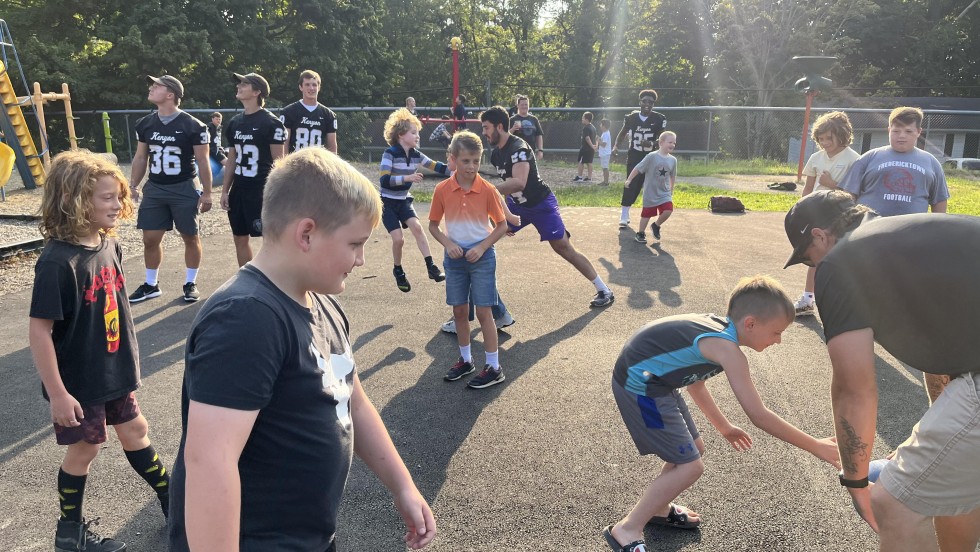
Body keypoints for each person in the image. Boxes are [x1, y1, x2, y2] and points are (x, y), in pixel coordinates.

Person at [168, 147, 436, 551]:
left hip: (306, 538)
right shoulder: (247, 317)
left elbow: (353, 402)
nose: (361, 260)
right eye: (355, 244)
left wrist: (402, 485)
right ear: (306, 233)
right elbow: (210, 462)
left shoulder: (322, 302)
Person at [783, 190, 980, 552]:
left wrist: (855, 481)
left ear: (819, 236)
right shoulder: (909, 237)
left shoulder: (840, 263)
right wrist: (934, 434)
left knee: (894, 502)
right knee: (952, 481)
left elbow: (854, 389)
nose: (813, 266)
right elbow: (945, 363)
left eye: (808, 258)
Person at [604, 276, 840, 552]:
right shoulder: (728, 350)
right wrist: (815, 446)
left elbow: (695, 382)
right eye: (776, 332)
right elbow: (759, 415)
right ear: (750, 323)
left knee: (694, 450)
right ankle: (627, 529)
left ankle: (658, 508)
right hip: (641, 387)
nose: (778, 341)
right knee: (691, 466)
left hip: (658, 382)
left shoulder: (723, 335)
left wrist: (724, 426)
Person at [29, 151, 172, 552]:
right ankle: (69, 534)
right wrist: (58, 393)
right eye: (107, 198)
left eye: (118, 196)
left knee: (135, 431)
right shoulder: (57, 262)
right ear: (75, 200)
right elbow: (39, 330)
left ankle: (172, 500)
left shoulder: (109, 246)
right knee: (86, 448)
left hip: (114, 372)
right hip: (80, 381)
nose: (117, 204)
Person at [837, 106, 950, 404]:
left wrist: (936, 233)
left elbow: (939, 202)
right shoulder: (871, 158)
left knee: (905, 290)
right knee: (867, 287)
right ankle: (863, 338)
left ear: (918, 133)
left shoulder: (929, 163)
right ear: (888, 130)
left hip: (911, 240)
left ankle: (905, 338)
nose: (901, 135)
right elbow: (848, 196)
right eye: (896, 130)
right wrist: (846, 227)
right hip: (871, 236)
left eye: (908, 131)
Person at [481, 106, 614, 308]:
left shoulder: (519, 149)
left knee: (563, 247)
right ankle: (477, 300)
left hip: (541, 204)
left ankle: (604, 290)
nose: (484, 133)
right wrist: (504, 217)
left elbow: (519, 182)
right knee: (484, 237)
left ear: (499, 126)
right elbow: (509, 188)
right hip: (517, 206)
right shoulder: (496, 154)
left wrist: (487, 192)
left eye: (486, 127)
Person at [428, 131, 509, 388]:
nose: (471, 167)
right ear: (452, 159)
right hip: (455, 258)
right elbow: (433, 226)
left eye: (476, 161)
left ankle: (494, 366)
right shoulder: (442, 190)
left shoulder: (487, 189)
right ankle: (466, 360)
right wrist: (448, 244)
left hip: (482, 257)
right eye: (465, 161)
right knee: (460, 311)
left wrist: (483, 247)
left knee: (485, 312)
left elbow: (501, 225)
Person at [128, 75, 213, 303]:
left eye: (157, 86)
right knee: (150, 238)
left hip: (184, 185)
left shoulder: (193, 125)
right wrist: (133, 185)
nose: (151, 88)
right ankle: (151, 284)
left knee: (189, 236)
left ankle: (190, 281)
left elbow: (203, 161)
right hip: (155, 187)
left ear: (170, 94)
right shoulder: (145, 123)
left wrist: (207, 192)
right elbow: (140, 157)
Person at [793, 111, 859, 317]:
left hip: (842, 215)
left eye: (829, 138)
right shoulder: (815, 158)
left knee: (841, 259)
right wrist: (801, 209)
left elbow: (854, 195)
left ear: (842, 134)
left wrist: (833, 185)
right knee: (815, 257)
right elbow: (808, 188)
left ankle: (842, 301)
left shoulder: (854, 159)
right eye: (820, 139)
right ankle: (807, 299)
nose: (825, 142)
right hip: (817, 215)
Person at [379, 108, 450, 292]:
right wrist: (407, 178)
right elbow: (384, 180)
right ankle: (398, 270)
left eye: (417, 132)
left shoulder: (416, 154)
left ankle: (431, 267)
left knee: (418, 228)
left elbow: (436, 166)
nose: (417, 136)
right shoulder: (390, 153)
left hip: (403, 200)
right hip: (387, 202)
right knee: (398, 240)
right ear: (401, 134)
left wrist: (457, 170)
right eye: (413, 132)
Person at [222, 71, 287, 267]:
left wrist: (279, 192)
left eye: (244, 84)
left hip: (261, 188)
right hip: (240, 189)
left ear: (257, 91)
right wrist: (225, 190)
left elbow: (279, 162)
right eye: (239, 84)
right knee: (239, 238)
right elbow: (232, 159)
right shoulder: (234, 122)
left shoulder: (271, 123)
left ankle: (275, 280)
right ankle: (246, 279)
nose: (239, 87)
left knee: (271, 239)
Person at [613, 89, 667, 228]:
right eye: (644, 101)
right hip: (635, 155)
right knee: (630, 182)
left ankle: (654, 218)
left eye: (651, 102)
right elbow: (623, 133)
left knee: (650, 185)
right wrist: (616, 146)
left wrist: (653, 143)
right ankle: (624, 214)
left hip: (652, 157)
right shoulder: (631, 118)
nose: (647, 104)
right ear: (640, 102)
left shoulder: (659, 119)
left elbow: (664, 139)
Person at [629, 131, 677, 244]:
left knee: (668, 210)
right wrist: (629, 179)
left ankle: (656, 225)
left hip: (664, 192)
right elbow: (638, 168)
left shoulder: (673, 160)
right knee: (647, 214)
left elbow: (672, 175)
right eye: (670, 142)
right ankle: (640, 233)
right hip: (651, 192)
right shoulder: (651, 156)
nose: (672, 145)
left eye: (674, 143)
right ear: (661, 142)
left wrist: (671, 189)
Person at [279, 69, 338, 154]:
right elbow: (284, 142)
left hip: (318, 163)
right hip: (295, 163)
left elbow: (332, 146)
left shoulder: (328, 115)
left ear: (319, 87)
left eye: (314, 85)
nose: (311, 88)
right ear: (301, 87)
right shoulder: (289, 112)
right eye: (307, 85)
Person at [509, 95, 545, 160]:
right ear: (518, 106)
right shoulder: (512, 119)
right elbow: (506, 135)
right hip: (516, 152)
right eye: (522, 104)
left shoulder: (534, 119)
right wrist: (513, 129)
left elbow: (539, 135)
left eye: (526, 104)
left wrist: (540, 150)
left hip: (530, 152)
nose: (524, 106)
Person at [573, 111, 598, 182]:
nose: (582, 119)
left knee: (581, 162)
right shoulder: (593, 127)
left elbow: (587, 138)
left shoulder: (586, 128)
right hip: (591, 149)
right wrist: (595, 146)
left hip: (585, 149)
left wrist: (592, 146)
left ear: (587, 119)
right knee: (589, 163)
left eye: (583, 118)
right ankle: (589, 178)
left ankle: (580, 177)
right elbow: (596, 137)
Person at [206, 111, 226, 183]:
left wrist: (220, 146)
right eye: (217, 119)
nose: (218, 120)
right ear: (212, 119)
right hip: (213, 150)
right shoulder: (209, 128)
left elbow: (217, 141)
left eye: (220, 119)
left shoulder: (219, 127)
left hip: (217, 148)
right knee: (228, 163)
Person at [597, 118, 612, 185]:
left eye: (601, 124)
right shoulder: (605, 133)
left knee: (605, 168)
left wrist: (598, 140)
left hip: (605, 154)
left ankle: (606, 182)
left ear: (604, 126)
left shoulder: (606, 134)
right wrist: (600, 139)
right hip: (604, 153)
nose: (600, 125)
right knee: (604, 167)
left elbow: (604, 144)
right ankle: (605, 181)